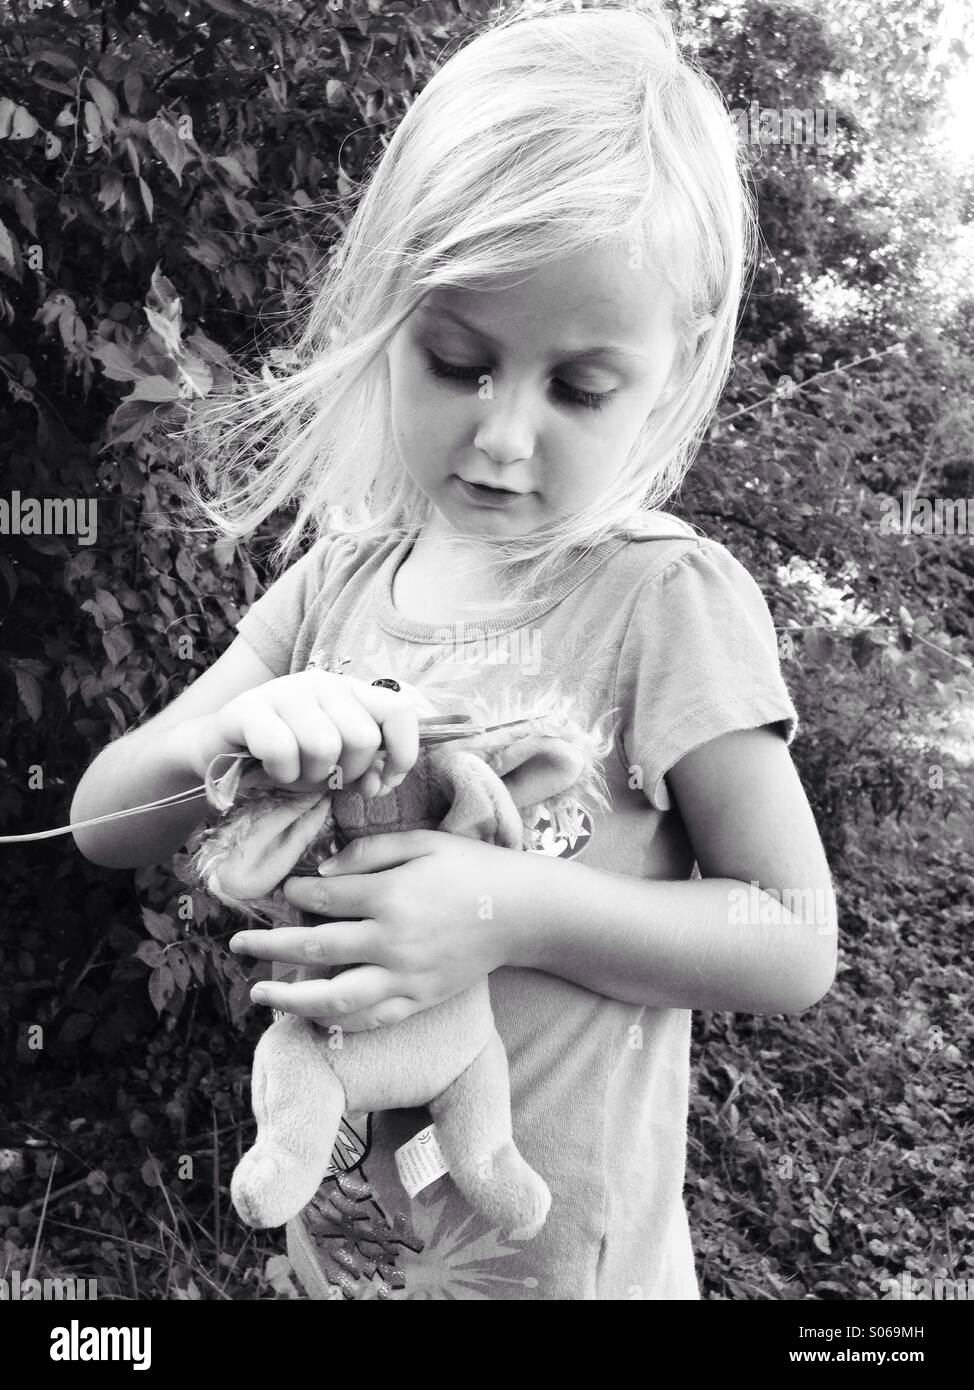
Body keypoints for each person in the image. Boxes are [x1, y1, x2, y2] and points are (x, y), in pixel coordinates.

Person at [70, 0, 837, 1300]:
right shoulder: (337, 581)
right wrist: (229, 740)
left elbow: (794, 938)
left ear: (679, 360)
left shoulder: (664, 601)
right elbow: (101, 820)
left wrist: (504, 908)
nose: (502, 436)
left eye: (578, 387)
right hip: (346, 1265)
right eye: (456, 360)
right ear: (389, 313)